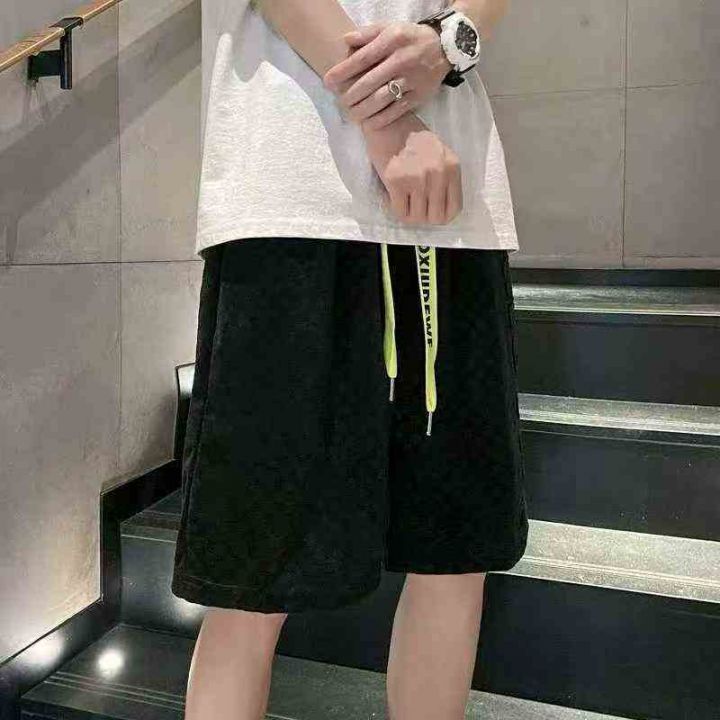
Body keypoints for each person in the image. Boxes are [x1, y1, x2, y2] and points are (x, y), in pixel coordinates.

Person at [170, 0, 529, 717]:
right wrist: (388, 116)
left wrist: (448, 43)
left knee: (455, 549)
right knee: (252, 568)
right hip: (293, 193)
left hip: (452, 204)